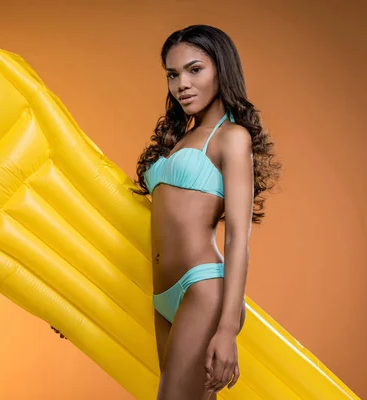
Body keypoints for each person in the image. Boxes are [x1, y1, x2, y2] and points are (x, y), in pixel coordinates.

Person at [133, 24, 281, 399]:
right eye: (173, 73)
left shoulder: (232, 138)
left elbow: (237, 242)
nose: (182, 83)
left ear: (221, 69)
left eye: (194, 69)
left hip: (202, 289)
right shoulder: (179, 138)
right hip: (163, 293)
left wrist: (228, 329)